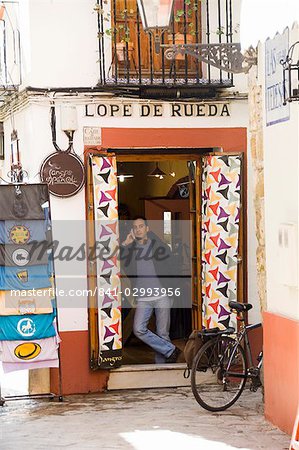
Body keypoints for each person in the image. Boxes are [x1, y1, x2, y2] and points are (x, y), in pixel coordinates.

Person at [120, 216, 181, 363]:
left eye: (141, 226)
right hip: (143, 298)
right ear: (132, 231)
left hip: (162, 296)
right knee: (139, 329)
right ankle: (171, 350)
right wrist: (124, 244)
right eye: (135, 227)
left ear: (147, 228)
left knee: (162, 334)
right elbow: (115, 261)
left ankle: (162, 369)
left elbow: (172, 268)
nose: (138, 229)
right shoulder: (131, 249)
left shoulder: (160, 246)